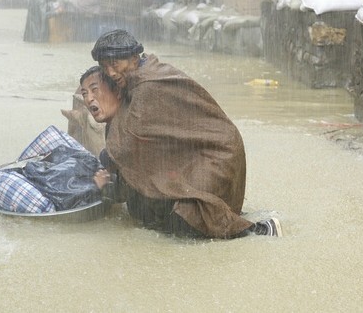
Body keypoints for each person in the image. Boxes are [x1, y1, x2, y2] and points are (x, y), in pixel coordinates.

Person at [89, 29, 282, 238]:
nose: (111, 72)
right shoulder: (141, 77)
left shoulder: (148, 85)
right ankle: (230, 217)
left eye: (115, 64)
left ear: (134, 57)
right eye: (105, 66)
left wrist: (105, 157)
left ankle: (257, 231)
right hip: (200, 150)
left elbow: (130, 140)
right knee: (151, 204)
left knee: (186, 217)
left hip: (216, 154)